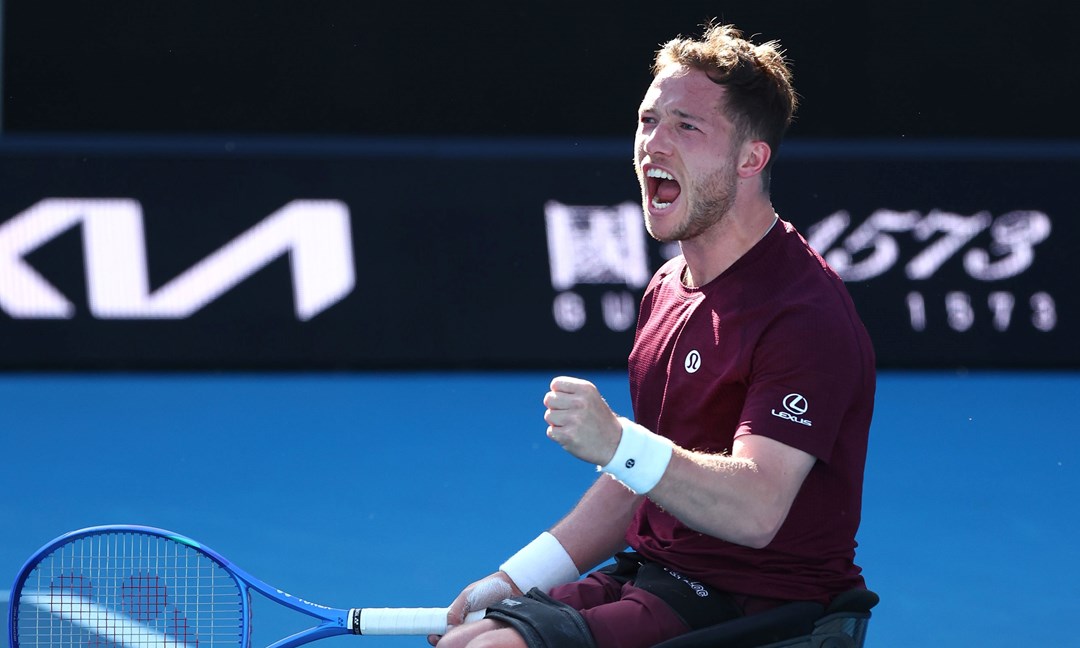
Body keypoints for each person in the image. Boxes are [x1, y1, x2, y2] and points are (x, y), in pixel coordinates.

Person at [430, 21, 876, 648]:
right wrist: (516, 578)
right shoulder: (668, 286)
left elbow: (757, 508)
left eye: (687, 127)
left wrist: (618, 441)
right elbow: (648, 473)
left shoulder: (804, 314)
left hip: (763, 609)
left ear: (751, 159)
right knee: (463, 642)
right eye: (648, 121)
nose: (654, 145)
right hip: (660, 575)